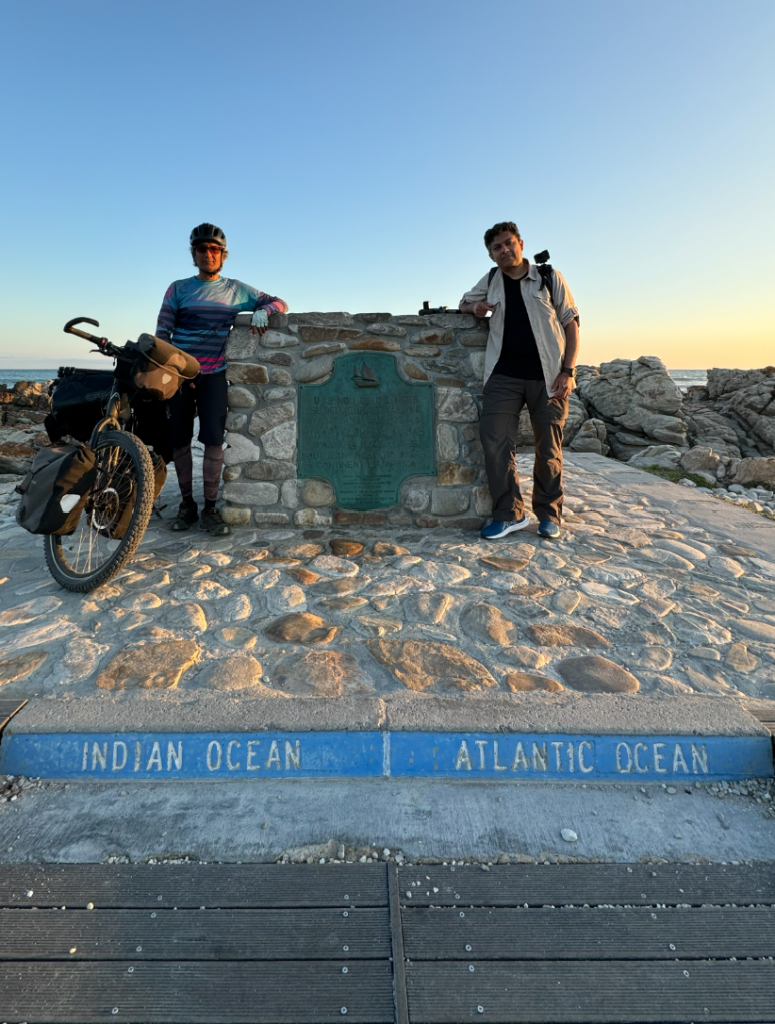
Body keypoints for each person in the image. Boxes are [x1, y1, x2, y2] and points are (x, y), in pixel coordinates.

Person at [155, 223, 288, 535]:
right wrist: (173, 370)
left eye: (214, 250)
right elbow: (163, 334)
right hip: (178, 375)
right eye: (202, 249)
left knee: (214, 441)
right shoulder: (177, 288)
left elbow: (281, 302)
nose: (208, 254)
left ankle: (211, 508)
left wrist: (264, 312)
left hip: (213, 375)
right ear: (194, 254)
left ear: (223, 256)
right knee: (179, 441)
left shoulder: (236, 290)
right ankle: (187, 504)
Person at [459, 221, 579, 540]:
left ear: (521, 243)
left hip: (549, 376)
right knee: (494, 439)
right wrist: (476, 307)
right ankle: (510, 513)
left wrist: (568, 371)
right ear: (491, 254)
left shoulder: (548, 277)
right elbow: (463, 304)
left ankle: (548, 513)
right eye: (497, 247)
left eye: (509, 243)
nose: (504, 250)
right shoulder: (492, 280)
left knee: (548, 447)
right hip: (503, 375)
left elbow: (571, 323)